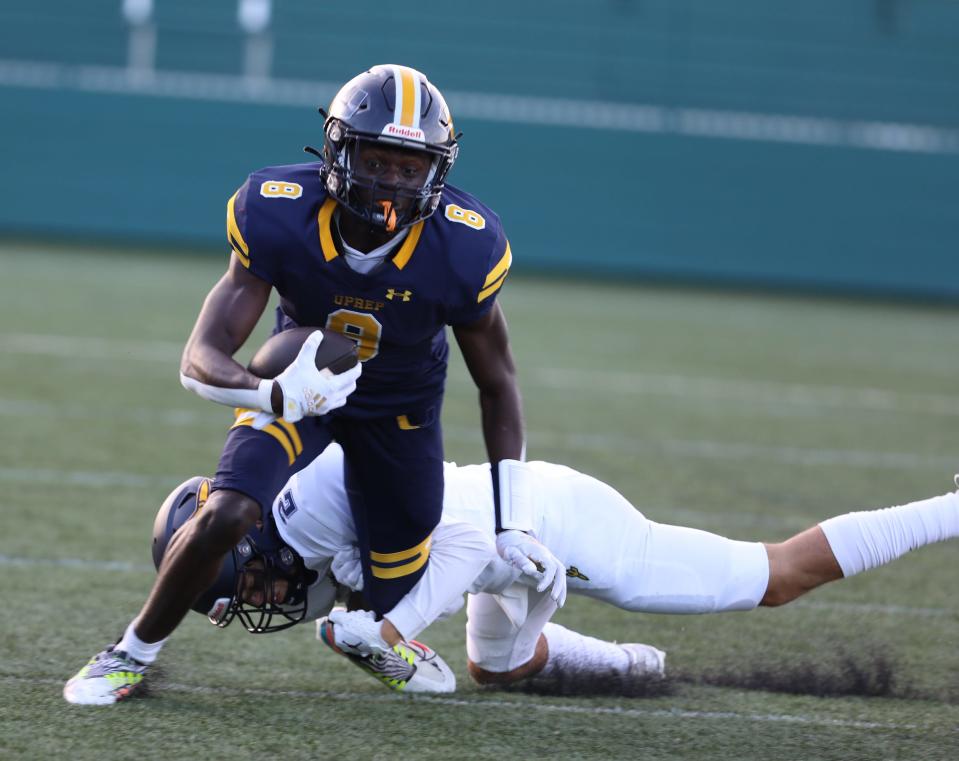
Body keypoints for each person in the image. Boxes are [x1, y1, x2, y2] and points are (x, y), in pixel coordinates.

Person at [63, 64, 560, 705]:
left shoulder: (465, 247)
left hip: (401, 411)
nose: (392, 182)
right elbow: (201, 357)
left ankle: (405, 625)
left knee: (392, 595)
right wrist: (273, 396)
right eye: (379, 160)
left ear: (437, 169)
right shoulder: (279, 211)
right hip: (304, 381)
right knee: (229, 511)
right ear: (339, 150)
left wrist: (514, 521)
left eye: (412, 167)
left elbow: (498, 383)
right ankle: (129, 654)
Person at [65, 443, 959, 702]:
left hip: (544, 520)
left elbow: (456, 546)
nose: (258, 603)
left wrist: (383, 631)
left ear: (248, 538)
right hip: (498, 560)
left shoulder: (316, 498)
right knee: (497, 666)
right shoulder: (288, 539)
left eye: (244, 587)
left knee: (776, 576)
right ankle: (636, 665)